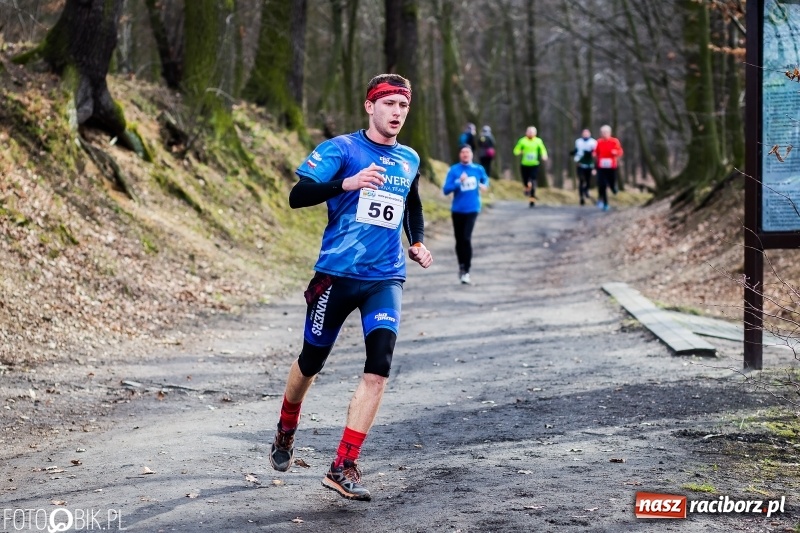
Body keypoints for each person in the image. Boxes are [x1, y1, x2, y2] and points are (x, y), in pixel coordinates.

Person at [269, 73, 433, 502]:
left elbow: (411, 203)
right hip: (336, 276)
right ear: (369, 106)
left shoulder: (409, 158)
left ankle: (342, 465)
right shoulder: (341, 149)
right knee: (311, 362)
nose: (397, 112)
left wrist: (416, 241)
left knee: (379, 369)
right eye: (389, 104)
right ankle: (287, 425)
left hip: (385, 278)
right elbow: (297, 195)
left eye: (403, 105)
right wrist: (347, 183)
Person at [443, 145, 489, 285]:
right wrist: (459, 182)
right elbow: (446, 190)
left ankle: (467, 271)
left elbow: (485, 180)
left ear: (471, 154)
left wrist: (484, 185)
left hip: (472, 208)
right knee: (459, 240)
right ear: (459, 155)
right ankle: (461, 266)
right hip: (457, 209)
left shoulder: (478, 169)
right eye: (463, 152)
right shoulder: (454, 170)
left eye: (467, 152)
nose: (465, 154)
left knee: (466, 238)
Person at [513, 126, 548, 208]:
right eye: (529, 132)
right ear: (526, 132)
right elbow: (515, 151)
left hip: (534, 164)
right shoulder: (522, 141)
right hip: (524, 164)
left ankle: (532, 199)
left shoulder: (538, 141)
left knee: (533, 181)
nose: (530, 133)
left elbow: (543, 149)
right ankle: (526, 187)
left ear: (535, 133)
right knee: (525, 180)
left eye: (532, 132)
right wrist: (520, 151)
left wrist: (544, 155)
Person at [593, 124, 624, 211]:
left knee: (611, 182)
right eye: (602, 132)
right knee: (602, 184)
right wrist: (594, 154)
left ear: (609, 133)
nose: (604, 134)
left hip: (611, 166)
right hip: (601, 166)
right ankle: (605, 203)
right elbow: (596, 151)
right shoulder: (599, 142)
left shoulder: (614, 141)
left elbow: (620, 151)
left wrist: (615, 152)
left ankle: (613, 188)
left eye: (606, 132)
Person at [573, 128, 597, 205]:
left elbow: (595, 154)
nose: (585, 135)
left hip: (589, 165)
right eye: (584, 133)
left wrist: (594, 167)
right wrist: (574, 154)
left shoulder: (593, 142)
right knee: (581, 180)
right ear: (582, 134)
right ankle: (581, 197)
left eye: (587, 133)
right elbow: (576, 151)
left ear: (590, 134)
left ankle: (586, 190)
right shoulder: (578, 141)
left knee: (588, 181)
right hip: (580, 164)